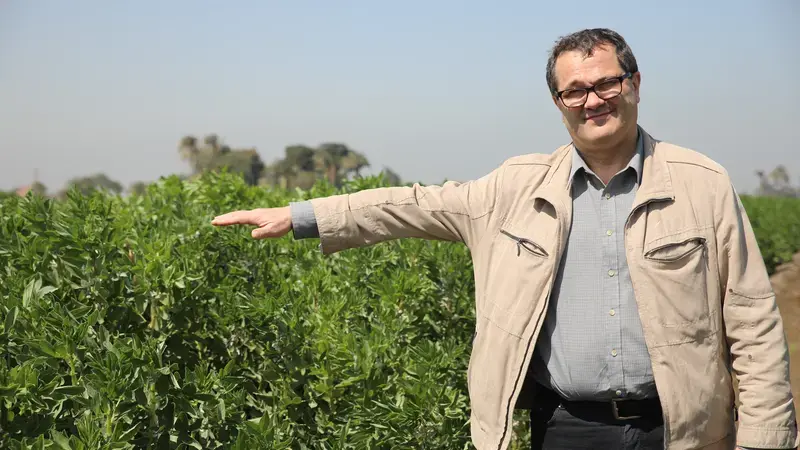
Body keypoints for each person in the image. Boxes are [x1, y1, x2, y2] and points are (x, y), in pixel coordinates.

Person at [211, 28, 798, 450]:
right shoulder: (513, 188)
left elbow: (752, 323)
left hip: (682, 429)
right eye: (575, 91)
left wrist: (766, 439)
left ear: (635, 83)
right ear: (558, 103)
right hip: (566, 428)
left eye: (607, 82)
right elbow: (409, 204)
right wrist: (303, 213)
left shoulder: (701, 184)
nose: (592, 100)